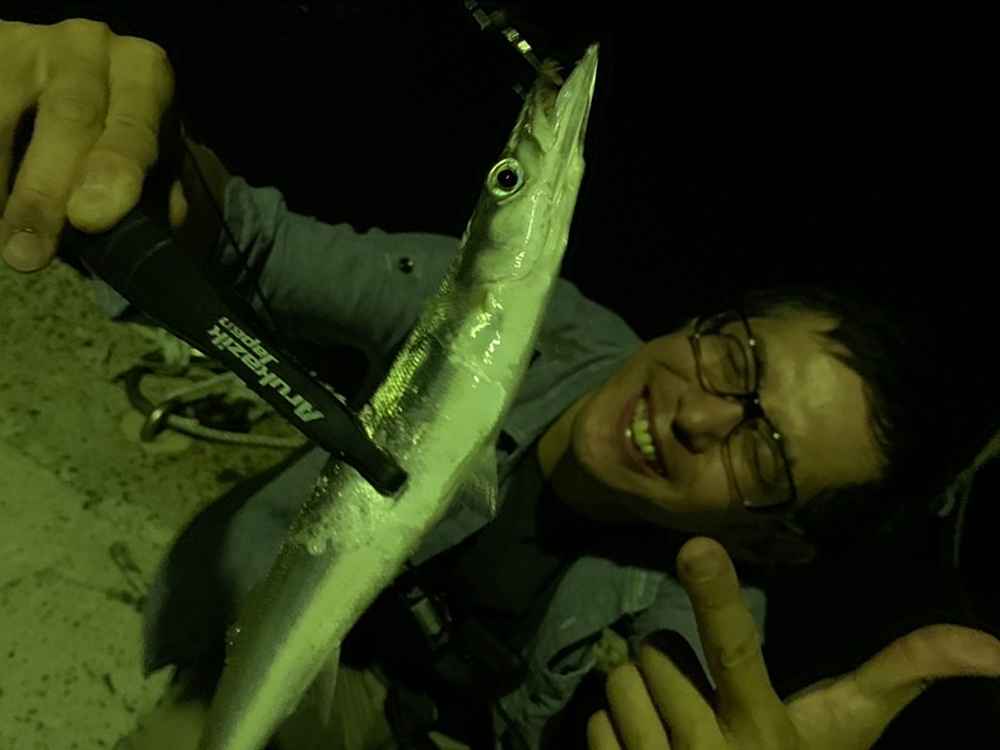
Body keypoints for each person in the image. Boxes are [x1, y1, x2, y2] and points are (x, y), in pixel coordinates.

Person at [3, 18, 999, 750]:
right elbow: (249, 250)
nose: (697, 415)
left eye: (764, 457)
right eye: (736, 359)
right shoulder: (516, 319)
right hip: (248, 633)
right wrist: (137, 169)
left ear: (775, 542)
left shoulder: (696, 626)